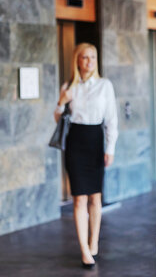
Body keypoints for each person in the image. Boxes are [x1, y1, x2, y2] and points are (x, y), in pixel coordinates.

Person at [54, 42, 118, 269]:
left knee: (95, 197)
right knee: (79, 197)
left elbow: (112, 120)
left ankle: (94, 242)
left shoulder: (104, 85)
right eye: (84, 57)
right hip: (75, 143)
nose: (89, 61)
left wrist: (109, 149)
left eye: (92, 57)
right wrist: (62, 101)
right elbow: (57, 119)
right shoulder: (69, 86)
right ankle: (84, 249)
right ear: (77, 61)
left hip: (95, 141)